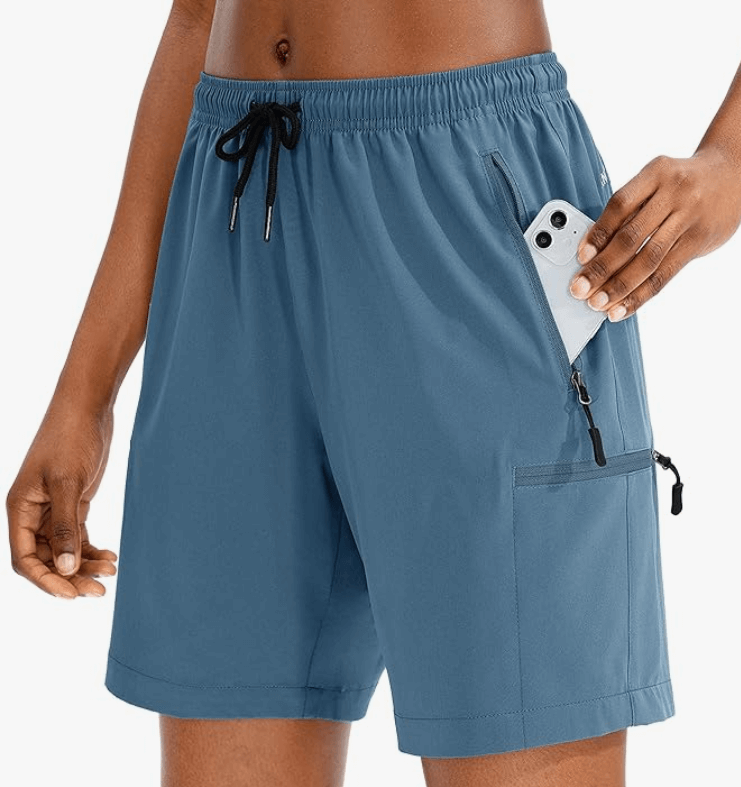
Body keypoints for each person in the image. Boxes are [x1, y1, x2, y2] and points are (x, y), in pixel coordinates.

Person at [6, 1, 741, 785]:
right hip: (231, 205)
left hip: (462, 207)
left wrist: (728, 163)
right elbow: (195, 16)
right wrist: (84, 393)